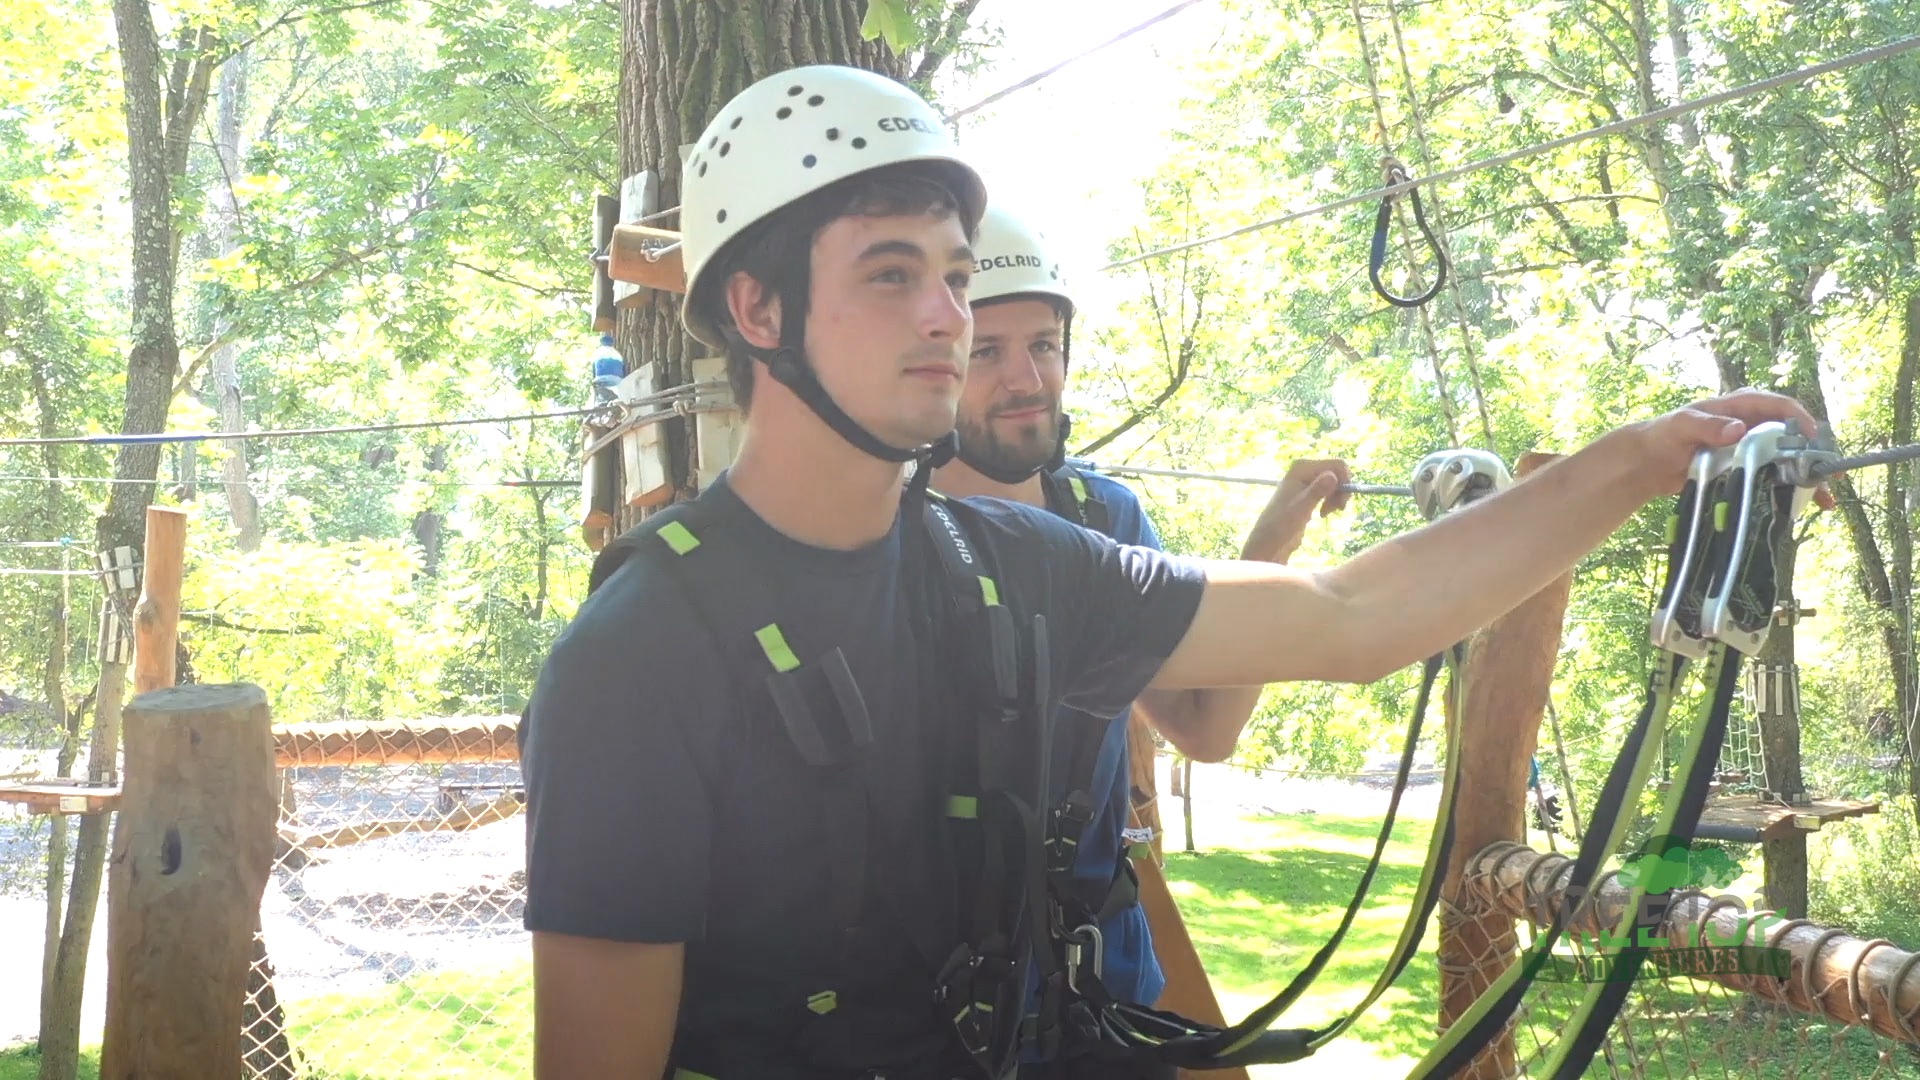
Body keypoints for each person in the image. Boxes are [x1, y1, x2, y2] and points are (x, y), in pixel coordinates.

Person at [518, 63, 1823, 1080]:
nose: (946, 318)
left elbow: (1349, 614)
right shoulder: (639, 661)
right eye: (891, 272)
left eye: (955, 277)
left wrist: (1646, 458)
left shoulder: (1012, 568)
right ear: (757, 311)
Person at [928, 201, 1353, 1051]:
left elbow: (1204, 726)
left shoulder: (1104, 516)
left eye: (1043, 345)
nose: (1026, 379)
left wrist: (1267, 551)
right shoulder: (886, 528)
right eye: (988, 352)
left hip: (1101, 984)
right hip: (934, 996)